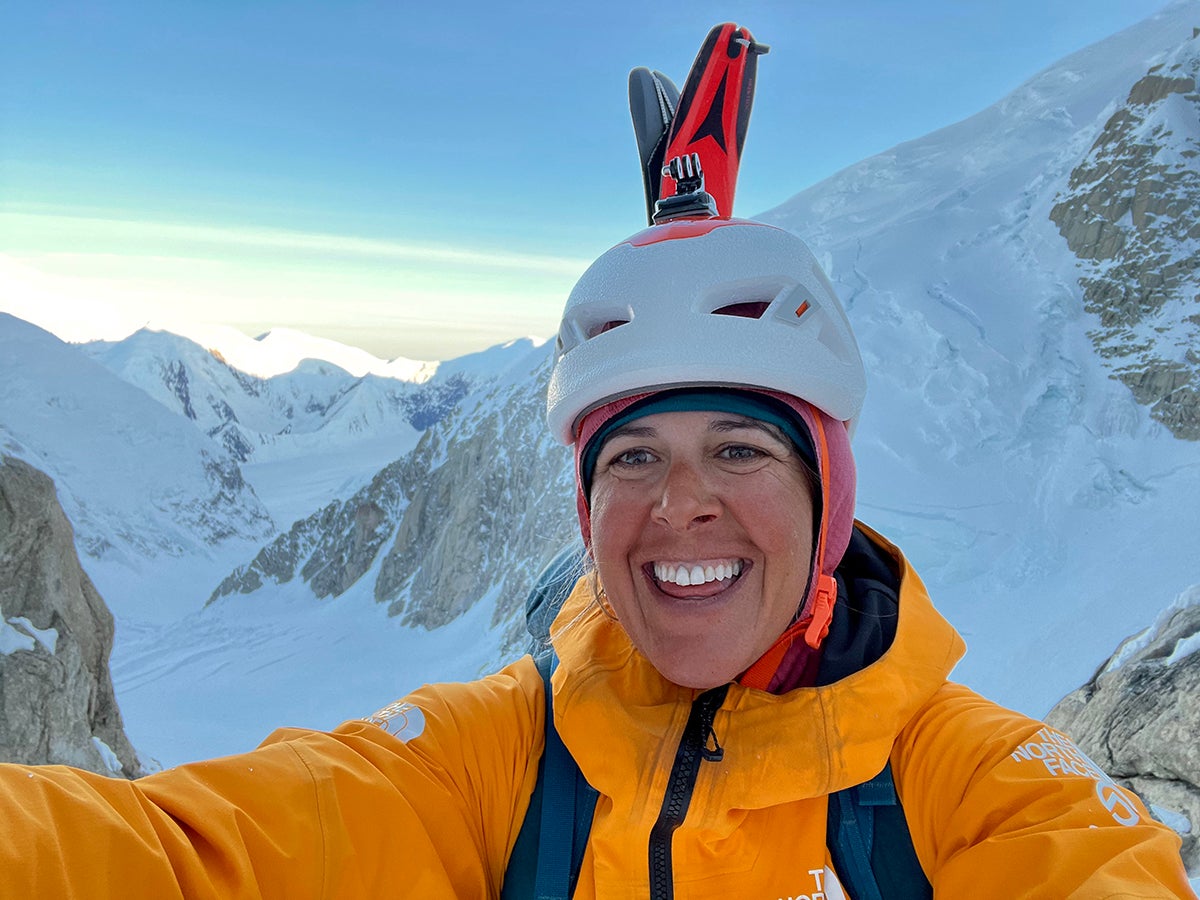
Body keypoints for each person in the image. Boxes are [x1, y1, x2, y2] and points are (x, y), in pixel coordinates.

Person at [0, 199, 1193, 898]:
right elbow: (181, 859)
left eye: (740, 451)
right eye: (632, 459)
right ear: (584, 512)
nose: (680, 505)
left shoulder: (965, 785)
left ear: (826, 503)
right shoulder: (499, 759)